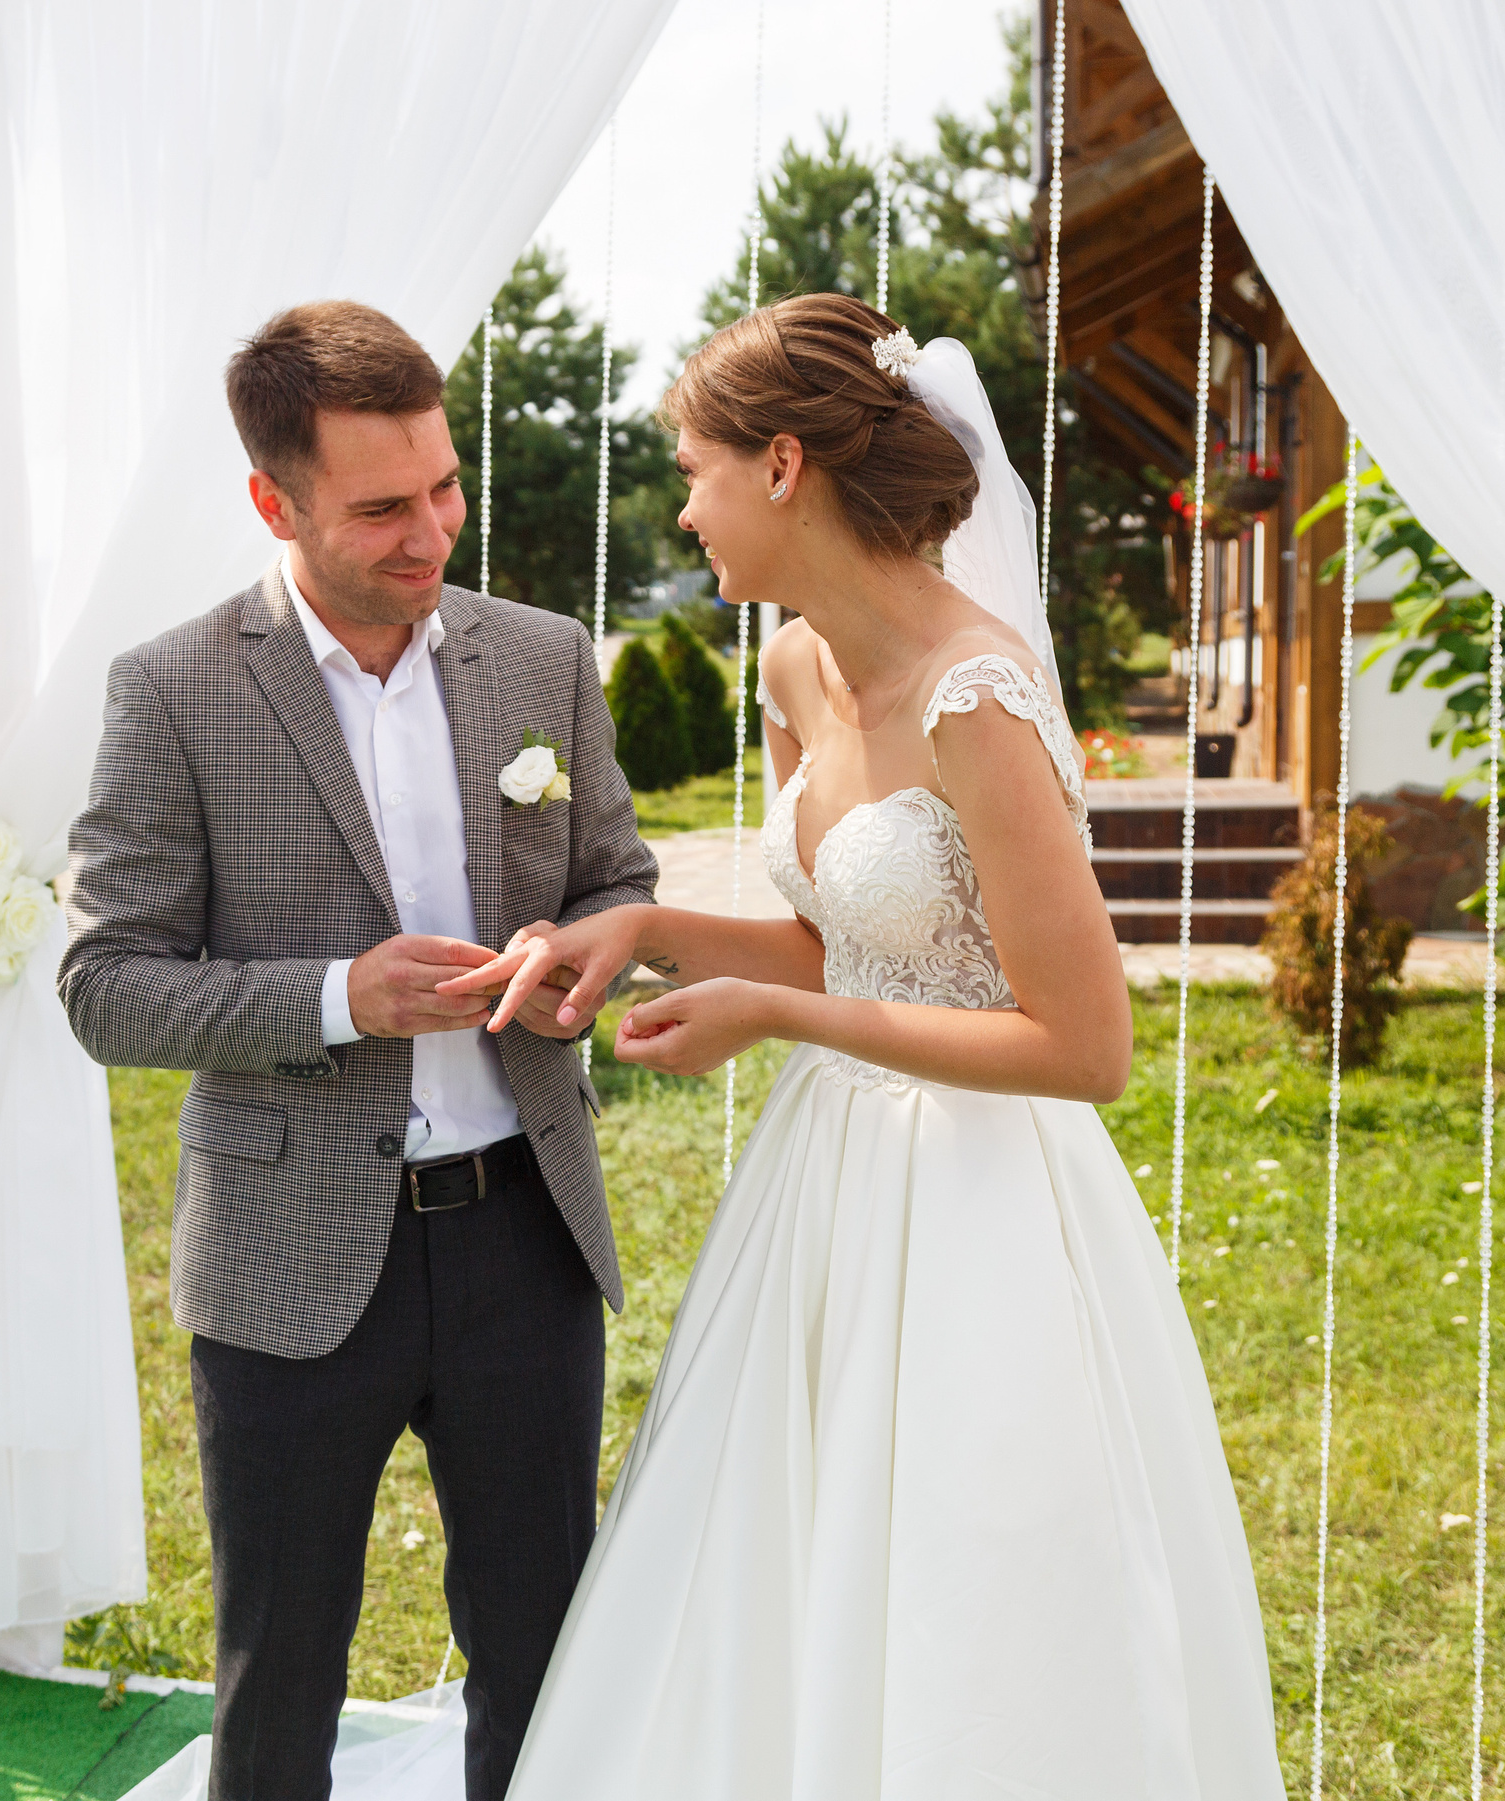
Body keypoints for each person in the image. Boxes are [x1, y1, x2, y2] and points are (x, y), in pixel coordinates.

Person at [420, 294, 1282, 1796]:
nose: (681, 510)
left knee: (964, 1578)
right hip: (820, 1195)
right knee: (774, 1558)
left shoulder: (981, 697)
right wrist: (652, 930)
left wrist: (778, 1018)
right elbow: (841, 943)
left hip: (979, 1207)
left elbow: (1083, 1045)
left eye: (691, 469)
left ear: (781, 465)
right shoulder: (793, 671)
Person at [59, 299, 659, 1801]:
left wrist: (587, 949)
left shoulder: (542, 659)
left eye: (445, 487)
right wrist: (342, 999)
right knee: (284, 1660)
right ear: (275, 499)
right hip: (287, 1251)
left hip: (524, 1225)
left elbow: (617, 878)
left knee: (541, 1645)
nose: (432, 530)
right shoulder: (175, 690)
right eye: (384, 506)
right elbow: (105, 985)